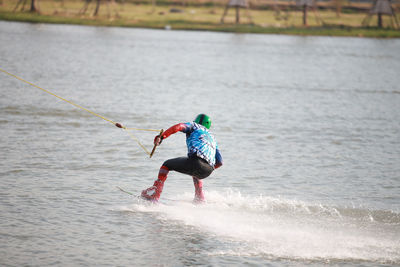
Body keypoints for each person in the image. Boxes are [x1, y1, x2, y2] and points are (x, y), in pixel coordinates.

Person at [141, 114, 223, 202]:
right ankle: (199, 198)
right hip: (208, 171)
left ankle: (155, 194)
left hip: (196, 162)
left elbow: (179, 126)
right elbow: (220, 162)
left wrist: (162, 137)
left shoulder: (194, 126)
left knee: (166, 165)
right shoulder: (212, 138)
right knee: (195, 173)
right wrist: (205, 167)